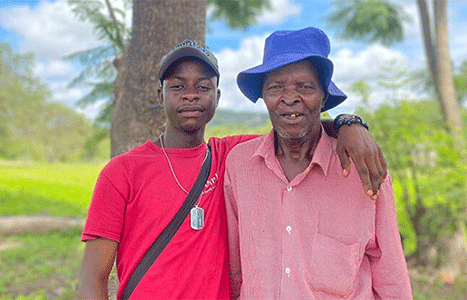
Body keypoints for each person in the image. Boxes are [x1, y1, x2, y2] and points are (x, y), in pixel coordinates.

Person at [75, 39, 387, 299]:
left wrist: (350, 123)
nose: (190, 94)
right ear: (161, 95)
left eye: (203, 86)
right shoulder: (122, 172)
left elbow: (298, 126)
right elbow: (93, 279)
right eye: (177, 85)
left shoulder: (234, 157)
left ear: (217, 97)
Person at [224, 27, 412, 299]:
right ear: (263, 96)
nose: (289, 98)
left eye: (305, 86)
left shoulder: (363, 170)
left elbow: (391, 279)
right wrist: (348, 122)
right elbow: (234, 268)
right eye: (276, 87)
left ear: (324, 97)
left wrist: (350, 121)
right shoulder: (239, 164)